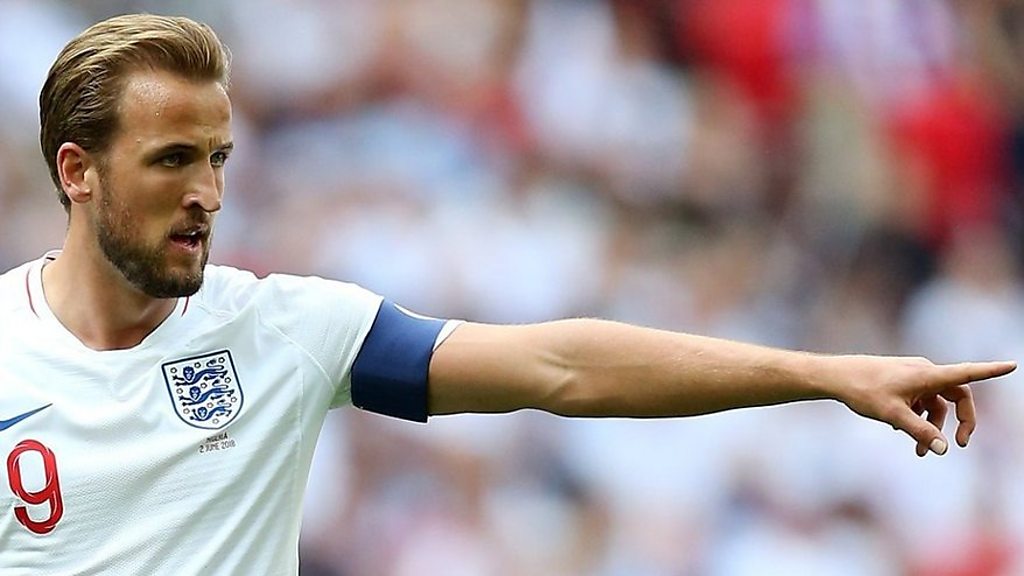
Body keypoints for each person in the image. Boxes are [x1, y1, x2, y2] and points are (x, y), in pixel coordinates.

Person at [0, 13, 1014, 575]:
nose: (208, 195)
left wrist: (821, 374)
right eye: (172, 161)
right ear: (77, 171)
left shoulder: (281, 329)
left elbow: (560, 367)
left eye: (218, 158)